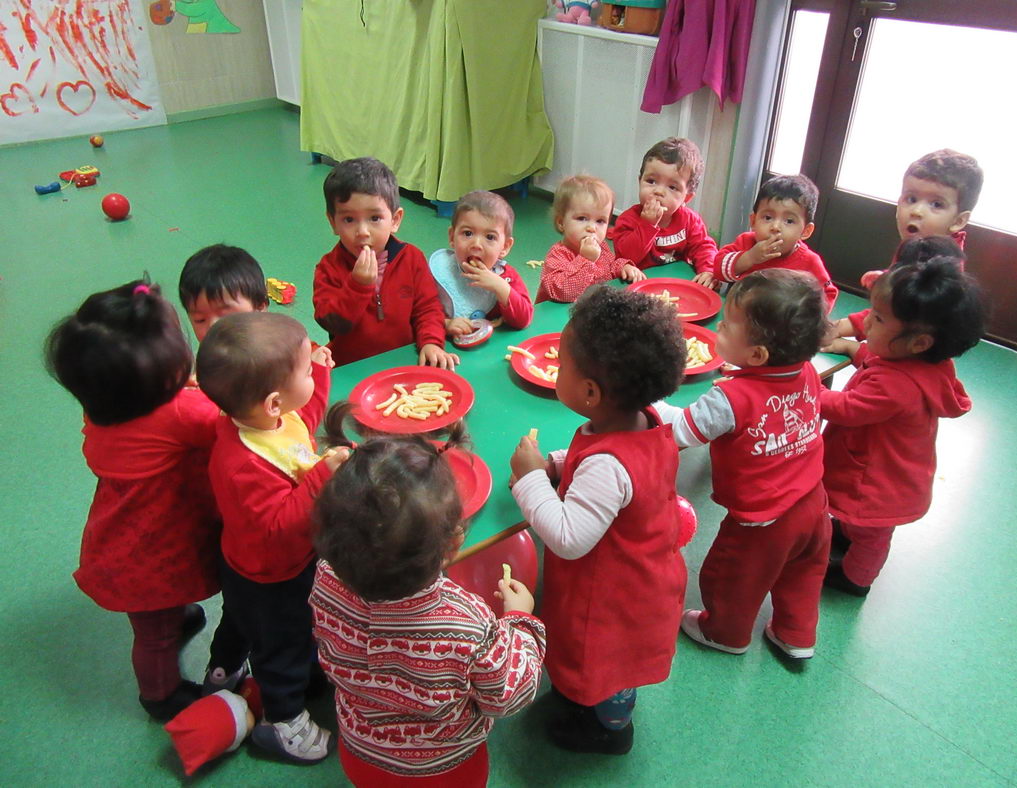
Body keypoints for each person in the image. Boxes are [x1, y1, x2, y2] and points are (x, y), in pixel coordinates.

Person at [311, 408, 546, 786]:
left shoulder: (324, 577)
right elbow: (507, 694)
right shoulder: (466, 621)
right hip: (445, 769)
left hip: (360, 755)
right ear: (454, 542)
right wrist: (520, 621)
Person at [509, 286, 687, 754]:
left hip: (614, 596)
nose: (556, 369)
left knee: (606, 664)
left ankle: (608, 730)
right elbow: (605, 462)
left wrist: (530, 481)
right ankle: (601, 707)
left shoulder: (609, 465)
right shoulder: (643, 419)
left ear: (590, 392)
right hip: (644, 576)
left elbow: (568, 537)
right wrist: (558, 464)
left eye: (562, 364)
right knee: (610, 665)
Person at [44, 280, 221, 721]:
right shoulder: (182, 413)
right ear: (164, 376)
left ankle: (177, 618)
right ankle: (160, 695)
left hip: (122, 538)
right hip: (157, 553)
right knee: (154, 638)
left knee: (155, 619)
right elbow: (232, 422)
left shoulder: (105, 408)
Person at [655, 270, 832, 665]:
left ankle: (725, 632)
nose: (719, 325)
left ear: (757, 356)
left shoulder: (730, 399)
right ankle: (796, 634)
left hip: (763, 522)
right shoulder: (805, 371)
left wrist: (650, 401)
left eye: (728, 324)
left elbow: (682, 430)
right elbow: (773, 393)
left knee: (732, 579)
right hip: (814, 503)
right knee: (803, 574)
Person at [196, 312, 349, 764]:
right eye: (303, 370)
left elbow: (299, 424)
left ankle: (221, 673)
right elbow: (279, 527)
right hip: (275, 576)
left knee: (240, 622)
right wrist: (322, 479)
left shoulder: (259, 420)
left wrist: (317, 371)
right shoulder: (244, 465)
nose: (310, 374)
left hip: (242, 563)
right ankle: (283, 723)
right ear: (273, 403)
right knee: (285, 645)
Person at [820, 258, 985, 597]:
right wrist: (853, 349)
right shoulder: (922, 362)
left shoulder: (897, 385)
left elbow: (847, 410)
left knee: (872, 535)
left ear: (919, 342)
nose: (866, 322)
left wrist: (809, 389)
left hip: (880, 483)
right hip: (884, 467)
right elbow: (877, 359)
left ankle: (855, 579)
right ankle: (848, 532)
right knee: (859, 524)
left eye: (877, 319)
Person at [312, 157, 459, 368]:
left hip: (404, 361)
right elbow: (332, 323)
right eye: (349, 220)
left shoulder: (411, 258)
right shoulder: (328, 269)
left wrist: (431, 342)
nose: (362, 232)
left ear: (395, 220)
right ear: (333, 222)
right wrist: (358, 286)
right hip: (352, 367)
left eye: (374, 218)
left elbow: (427, 309)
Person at [832, 149, 983, 339]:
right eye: (911, 199)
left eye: (936, 204)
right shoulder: (919, 245)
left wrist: (840, 328)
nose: (917, 211)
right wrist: (887, 277)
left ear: (958, 221)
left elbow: (895, 313)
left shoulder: (943, 265)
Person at [713, 174, 838, 311]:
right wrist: (749, 257)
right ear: (753, 221)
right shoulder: (746, 242)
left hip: (781, 326)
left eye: (789, 221)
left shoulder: (810, 262)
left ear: (806, 231)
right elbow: (718, 269)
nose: (776, 227)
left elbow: (827, 295)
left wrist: (805, 321)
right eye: (768, 217)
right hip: (740, 316)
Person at [608, 137, 718, 287]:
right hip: (639, 286)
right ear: (640, 181)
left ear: (687, 197)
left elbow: (703, 247)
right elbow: (625, 257)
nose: (658, 191)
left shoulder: (690, 220)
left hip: (676, 284)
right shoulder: (628, 219)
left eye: (672, 187)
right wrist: (647, 224)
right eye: (651, 181)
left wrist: (709, 270)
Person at [428, 190, 533, 338]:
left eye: (490, 237)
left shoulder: (506, 277)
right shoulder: (438, 272)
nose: (476, 245)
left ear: (505, 247)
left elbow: (524, 319)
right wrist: (445, 324)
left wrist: (500, 287)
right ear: (452, 237)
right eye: (468, 233)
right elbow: (419, 315)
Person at [536, 175, 643, 303]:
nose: (592, 228)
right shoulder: (557, 256)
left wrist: (623, 267)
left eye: (600, 221)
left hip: (590, 312)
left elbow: (610, 266)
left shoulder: (601, 247)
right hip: (558, 318)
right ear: (561, 222)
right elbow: (563, 292)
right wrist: (586, 259)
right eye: (582, 218)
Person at [178, 244, 269, 343]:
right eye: (200, 320)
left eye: (226, 316)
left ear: (260, 308)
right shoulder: (206, 357)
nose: (213, 328)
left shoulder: (282, 353)